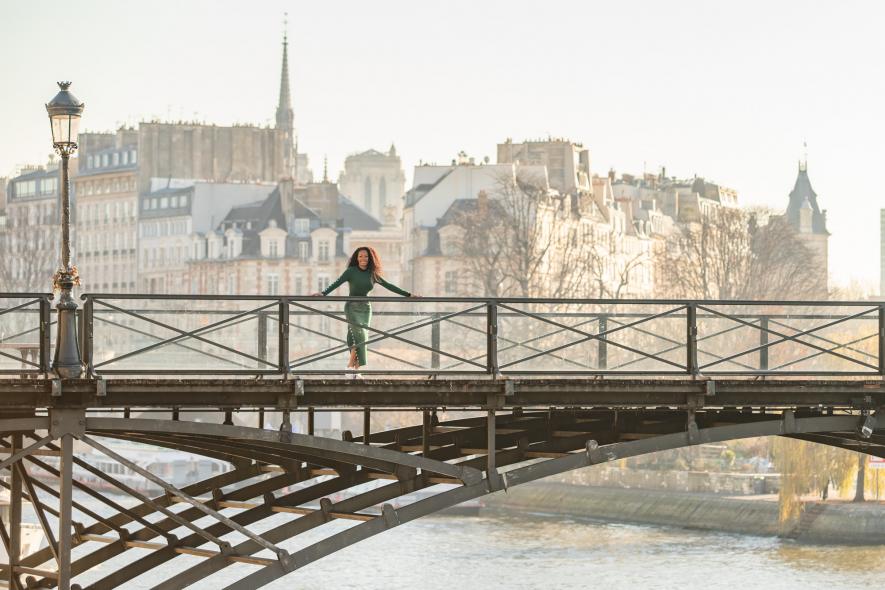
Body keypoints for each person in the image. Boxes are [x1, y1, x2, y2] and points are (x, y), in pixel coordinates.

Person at [312, 246, 416, 375]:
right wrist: (323, 293)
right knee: (358, 335)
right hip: (352, 307)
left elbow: (389, 286)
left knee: (358, 337)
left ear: (370, 258)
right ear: (357, 258)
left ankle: (355, 370)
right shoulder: (350, 271)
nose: (363, 259)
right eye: (360, 256)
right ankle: (351, 367)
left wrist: (408, 295)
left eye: (366, 256)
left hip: (366, 309)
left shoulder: (372, 274)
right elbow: (336, 283)